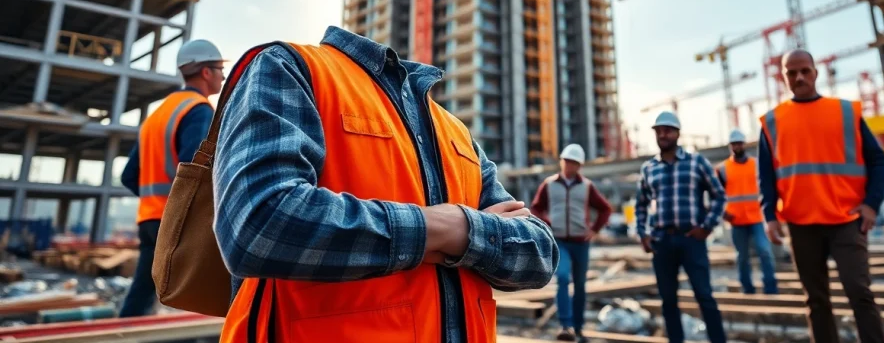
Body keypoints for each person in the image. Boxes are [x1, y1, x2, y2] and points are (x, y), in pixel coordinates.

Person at [211, 27, 558, 343]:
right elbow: (259, 224)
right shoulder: (291, 67)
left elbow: (540, 255)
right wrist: (448, 229)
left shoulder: (453, 130)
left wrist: (464, 231)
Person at [757, 49, 884, 343]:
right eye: (792, 72)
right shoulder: (773, 122)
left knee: (860, 294)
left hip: (846, 219)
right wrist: (769, 216)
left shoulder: (845, 112)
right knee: (816, 301)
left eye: (805, 70)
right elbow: (765, 176)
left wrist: (871, 204)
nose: (799, 77)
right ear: (783, 77)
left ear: (816, 72)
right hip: (801, 223)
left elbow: (878, 160)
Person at [118, 39, 225, 317]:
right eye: (219, 69)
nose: (223, 76)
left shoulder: (159, 113)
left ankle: (121, 333)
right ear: (205, 72)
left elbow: (129, 175)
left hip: (150, 218)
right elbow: (196, 169)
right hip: (177, 220)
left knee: (142, 293)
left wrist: (155, 201)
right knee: (204, 293)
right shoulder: (199, 110)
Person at [636, 111, 727, 343]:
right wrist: (643, 234)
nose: (662, 135)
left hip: (691, 240)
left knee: (704, 296)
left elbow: (719, 195)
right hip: (662, 241)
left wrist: (707, 227)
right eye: (658, 131)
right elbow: (641, 204)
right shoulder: (649, 168)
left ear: (677, 133)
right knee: (668, 300)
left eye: (667, 130)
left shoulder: (697, 162)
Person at [531, 143, 614, 342]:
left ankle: (578, 328)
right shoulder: (549, 184)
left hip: (581, 243)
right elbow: (536, 208)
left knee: (581, 285)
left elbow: (605, 209)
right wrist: (547, 224)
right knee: (562, 277)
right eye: (567, 161)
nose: (569, 165)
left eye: (574, 163)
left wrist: (594, 230)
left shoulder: (587, 187)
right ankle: (565, 326)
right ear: (562, 161)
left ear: (580, 166)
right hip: (559, 242)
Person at [716, 129, 778, 295]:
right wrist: (722, 212)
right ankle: (747, 289)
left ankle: (771, 288)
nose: (737, 146)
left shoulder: (756, 164)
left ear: (744, 144)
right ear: (730, 146)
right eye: (734, 144)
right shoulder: (723, 169)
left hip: (757, 217)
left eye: (739, 143)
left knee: (764, 251)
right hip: (736, 220)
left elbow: (767, 186)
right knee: (742, 257)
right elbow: (716, 194)